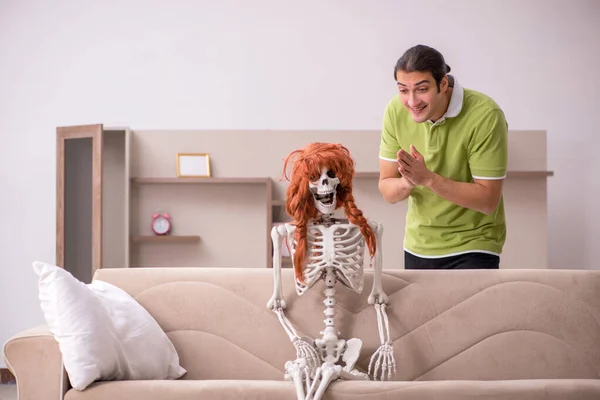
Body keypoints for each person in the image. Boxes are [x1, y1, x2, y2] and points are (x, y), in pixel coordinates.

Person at [378, 44, 508, 270]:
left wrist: (428, 179)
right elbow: (387, 190)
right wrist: (407, 181)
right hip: (418, 245)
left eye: (421, 89)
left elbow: (488, 201)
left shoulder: (485, 115)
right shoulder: (395, 111)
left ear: (443, 83)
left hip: (474, 244)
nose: (412, 101)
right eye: (403, 90)